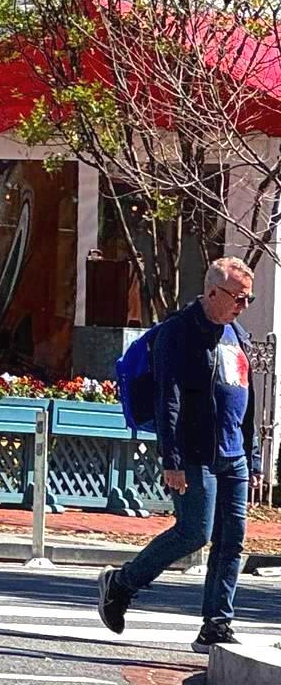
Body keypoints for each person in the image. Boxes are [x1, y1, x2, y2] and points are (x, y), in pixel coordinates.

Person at [98, 256, 261, 653]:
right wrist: (171, 459)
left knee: (231, 539)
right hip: (194, 451)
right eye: (238, 298)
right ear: (211, 292)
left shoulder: (236, 333)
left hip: (233, 453)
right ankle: (121, 584)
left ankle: (216, 624)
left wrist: (252, 456)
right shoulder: (177, 333)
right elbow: (166, 399)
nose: (242, 306)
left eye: (248, 299)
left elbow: (247, 395)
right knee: (194, 532)